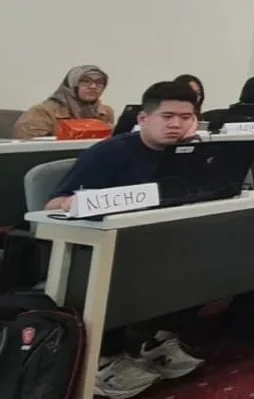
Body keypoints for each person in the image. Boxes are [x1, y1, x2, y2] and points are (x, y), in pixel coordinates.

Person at [47, 81, 206, 396]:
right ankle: (106, 358)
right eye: (167, 116)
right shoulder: (109, 153)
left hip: (162, 240)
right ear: (144, 119)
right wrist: (76, 203)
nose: (177, 124)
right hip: (107, 247)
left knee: (208, 258)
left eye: (186, 117)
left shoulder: (191, 154)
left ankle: (158, 341)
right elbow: (53, 204)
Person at [16, 65, 116, 139]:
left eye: (99, 82)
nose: (93, 86)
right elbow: (30, 149)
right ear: (71, 85)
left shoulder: (105, 112)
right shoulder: (42, 112)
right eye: (86, 81)